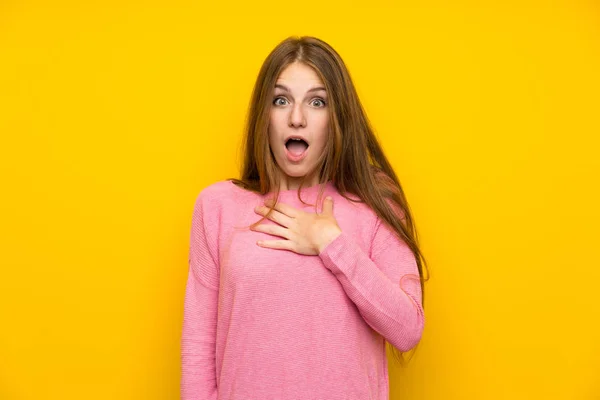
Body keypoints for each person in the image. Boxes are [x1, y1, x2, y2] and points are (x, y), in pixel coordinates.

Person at [181, 35, 429, 400]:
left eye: (317, 102)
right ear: (264, 115)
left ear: (337, 116)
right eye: (281, 101)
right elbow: (198, 347)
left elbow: (408, 329)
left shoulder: (375, 203)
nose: (296, 118)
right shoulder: (217, 205)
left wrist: (332, 244)